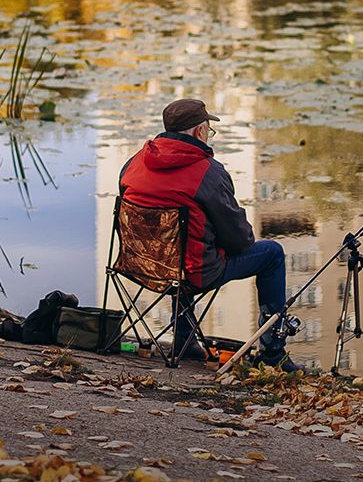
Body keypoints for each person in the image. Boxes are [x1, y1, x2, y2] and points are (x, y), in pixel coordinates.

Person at [116, 98, 293, 369]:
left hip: (138, 265)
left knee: (179, 246)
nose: (209, 134)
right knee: (272, 253)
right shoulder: (209, 173)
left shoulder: (134, 162)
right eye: (209, 129)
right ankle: (273, 353)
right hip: (191, 273)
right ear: (199, 131)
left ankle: (184, 341)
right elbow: (239, 240)